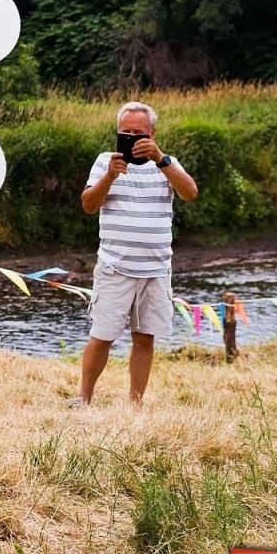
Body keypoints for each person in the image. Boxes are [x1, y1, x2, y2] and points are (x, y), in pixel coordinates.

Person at [73, 101, 199, 406]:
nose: (131, 138)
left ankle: (135, 403)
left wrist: (161, 159)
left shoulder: (168, 163)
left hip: (156, 269)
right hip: (115, 266)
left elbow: (190, 192)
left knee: (145, 338)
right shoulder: (106, 161)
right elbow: (88, 205)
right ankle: (84, 398)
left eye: (138, 133)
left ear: (152, 132)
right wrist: (110, 177)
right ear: (117, 133)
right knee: (102, 334)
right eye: (125, 132)